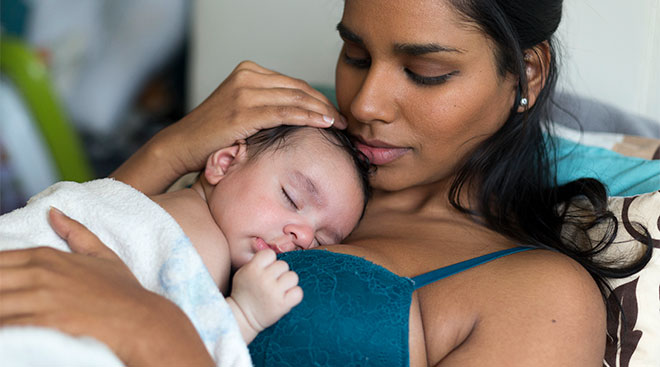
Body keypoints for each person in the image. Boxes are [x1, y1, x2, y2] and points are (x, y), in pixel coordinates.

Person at [0, 0, 656, 366]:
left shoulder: (539, 294)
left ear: (528, 75)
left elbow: (120, 298)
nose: (367, 101)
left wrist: (157, 339)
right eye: (356, 54)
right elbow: (90, 241)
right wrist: (176, 146)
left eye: (425, 72)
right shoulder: (295, 157)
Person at [0, 125, 370, 364]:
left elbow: (169, 333)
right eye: (291, 197)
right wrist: (245, 315)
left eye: (321, 241)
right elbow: (198, 340)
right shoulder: (198, 238)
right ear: (224, 164)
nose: (303, 237)